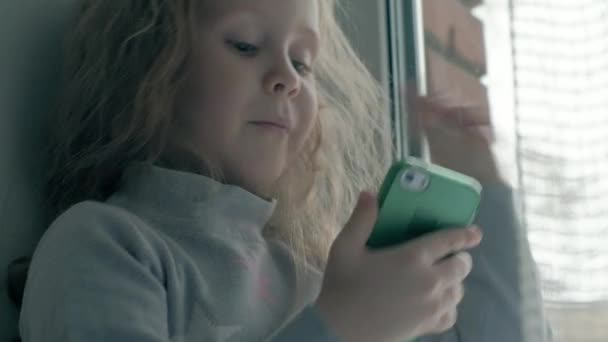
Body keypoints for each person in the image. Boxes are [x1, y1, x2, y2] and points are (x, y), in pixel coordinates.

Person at [19, 0, 544, 341]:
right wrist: (341, 325)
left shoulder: (309, 274)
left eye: (303, 62)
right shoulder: (103, 246)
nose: (288, 80)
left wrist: (489, 199)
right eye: (246, 45)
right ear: (148, 67)